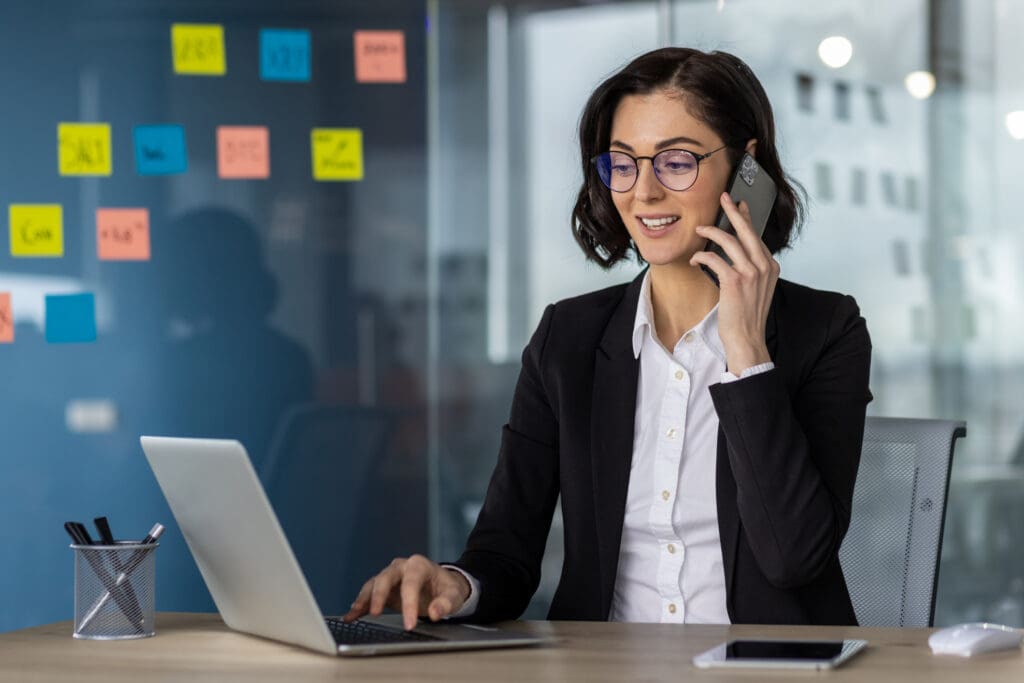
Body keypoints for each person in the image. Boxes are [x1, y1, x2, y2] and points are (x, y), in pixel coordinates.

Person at [344, 47, 872, 628]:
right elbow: (504, 553)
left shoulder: (826, 331)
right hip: (605, 665)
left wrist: (747, 354)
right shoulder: (567, 339)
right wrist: (455, 585)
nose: (643, 192)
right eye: (623, 164)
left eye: (675, 161)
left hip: (774, 670)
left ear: (747, 170)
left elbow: (795, 558)